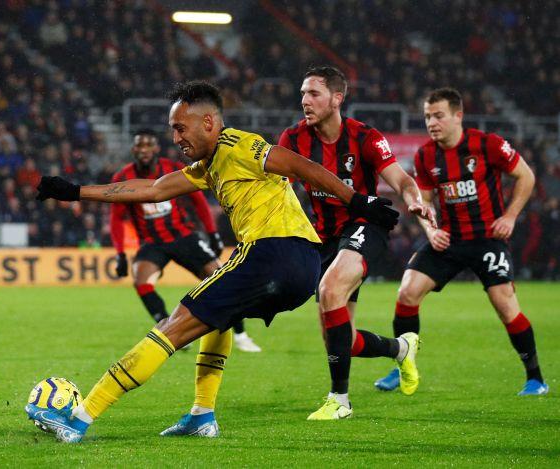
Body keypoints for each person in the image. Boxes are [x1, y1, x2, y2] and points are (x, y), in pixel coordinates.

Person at [27, 81, 398, 443]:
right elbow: (153, 189)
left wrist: (357, 201)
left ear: (208, 123)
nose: (176, 138)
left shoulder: (238, 144)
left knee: (174, 326)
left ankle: (79, 419)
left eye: (180, 128)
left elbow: (301, 166)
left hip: (272, 252)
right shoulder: (209, 165)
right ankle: (202, 415)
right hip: (299, 267)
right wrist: (75, 191)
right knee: (218, 319)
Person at [278, 66, 436, 420]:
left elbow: (400, 177)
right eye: (302, 93)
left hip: (366, 225)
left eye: (314, 93)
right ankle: (400, 348)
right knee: (340, 340)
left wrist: (413, 199)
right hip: (324, 237)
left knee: (331, 289)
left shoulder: (364, 136)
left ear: (337, 98)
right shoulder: (293, 139)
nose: (305, 100)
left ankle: (340, 400)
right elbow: (279, 188)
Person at [374, 87, 548, 396]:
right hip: (449, 241)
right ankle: (403, 365)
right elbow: (424, 202)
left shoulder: (488, 145)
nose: (432, 122)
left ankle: (535, 378)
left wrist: (509, 217)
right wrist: (431, 231)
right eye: (427, 116)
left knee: (505, 306)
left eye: (439, 116)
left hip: (487, 240)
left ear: (458, 116)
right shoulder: (426, 154)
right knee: (407, 292)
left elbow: (527, 176)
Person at [111, 128, 261, 352]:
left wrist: (212, 233)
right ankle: (166, 327)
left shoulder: (171, 169)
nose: (143, 150)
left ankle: (240, 335)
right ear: (134, 149)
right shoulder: (122, 178)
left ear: (156, 149)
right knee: (141, 282)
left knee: (220, 279)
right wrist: (121, 253)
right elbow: (116, 218)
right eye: (139, 146)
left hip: (184, 236)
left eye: (148, 145)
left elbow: (199, 201)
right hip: (152, 243)